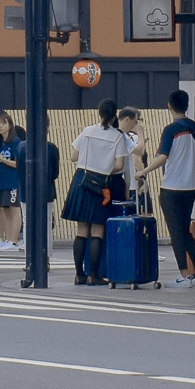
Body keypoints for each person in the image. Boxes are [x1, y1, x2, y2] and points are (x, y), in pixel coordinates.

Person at [135, 89, 195, 286]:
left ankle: (184, 275)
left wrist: (143, 171)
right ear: (187, 105)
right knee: (184, 231)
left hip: (172, 187)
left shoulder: (171, 129)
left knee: (176, 233)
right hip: (190, 187)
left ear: (169, 106)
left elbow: (163, 156)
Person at [62, 98, 130, 285]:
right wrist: (104, 167)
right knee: (97, 230)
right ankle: (93, 275)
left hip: (81, 180)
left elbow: (73, 156)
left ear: (99, 113)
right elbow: (120, 165)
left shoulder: (87, 131)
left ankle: (79, 275)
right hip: (101, 183)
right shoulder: (118, 137)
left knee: (81, 230)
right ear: (115, 116)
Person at [0, 110, 23, 251]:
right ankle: (8, 239)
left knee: (14, 209)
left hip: (13, 181)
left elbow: (18, 163)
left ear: (10, 125)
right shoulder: (0, 143)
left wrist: (2, 160)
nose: (0, 126)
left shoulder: (15, 142)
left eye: (3, 123)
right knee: (5, 210)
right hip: (2, 181)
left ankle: (14, 241)